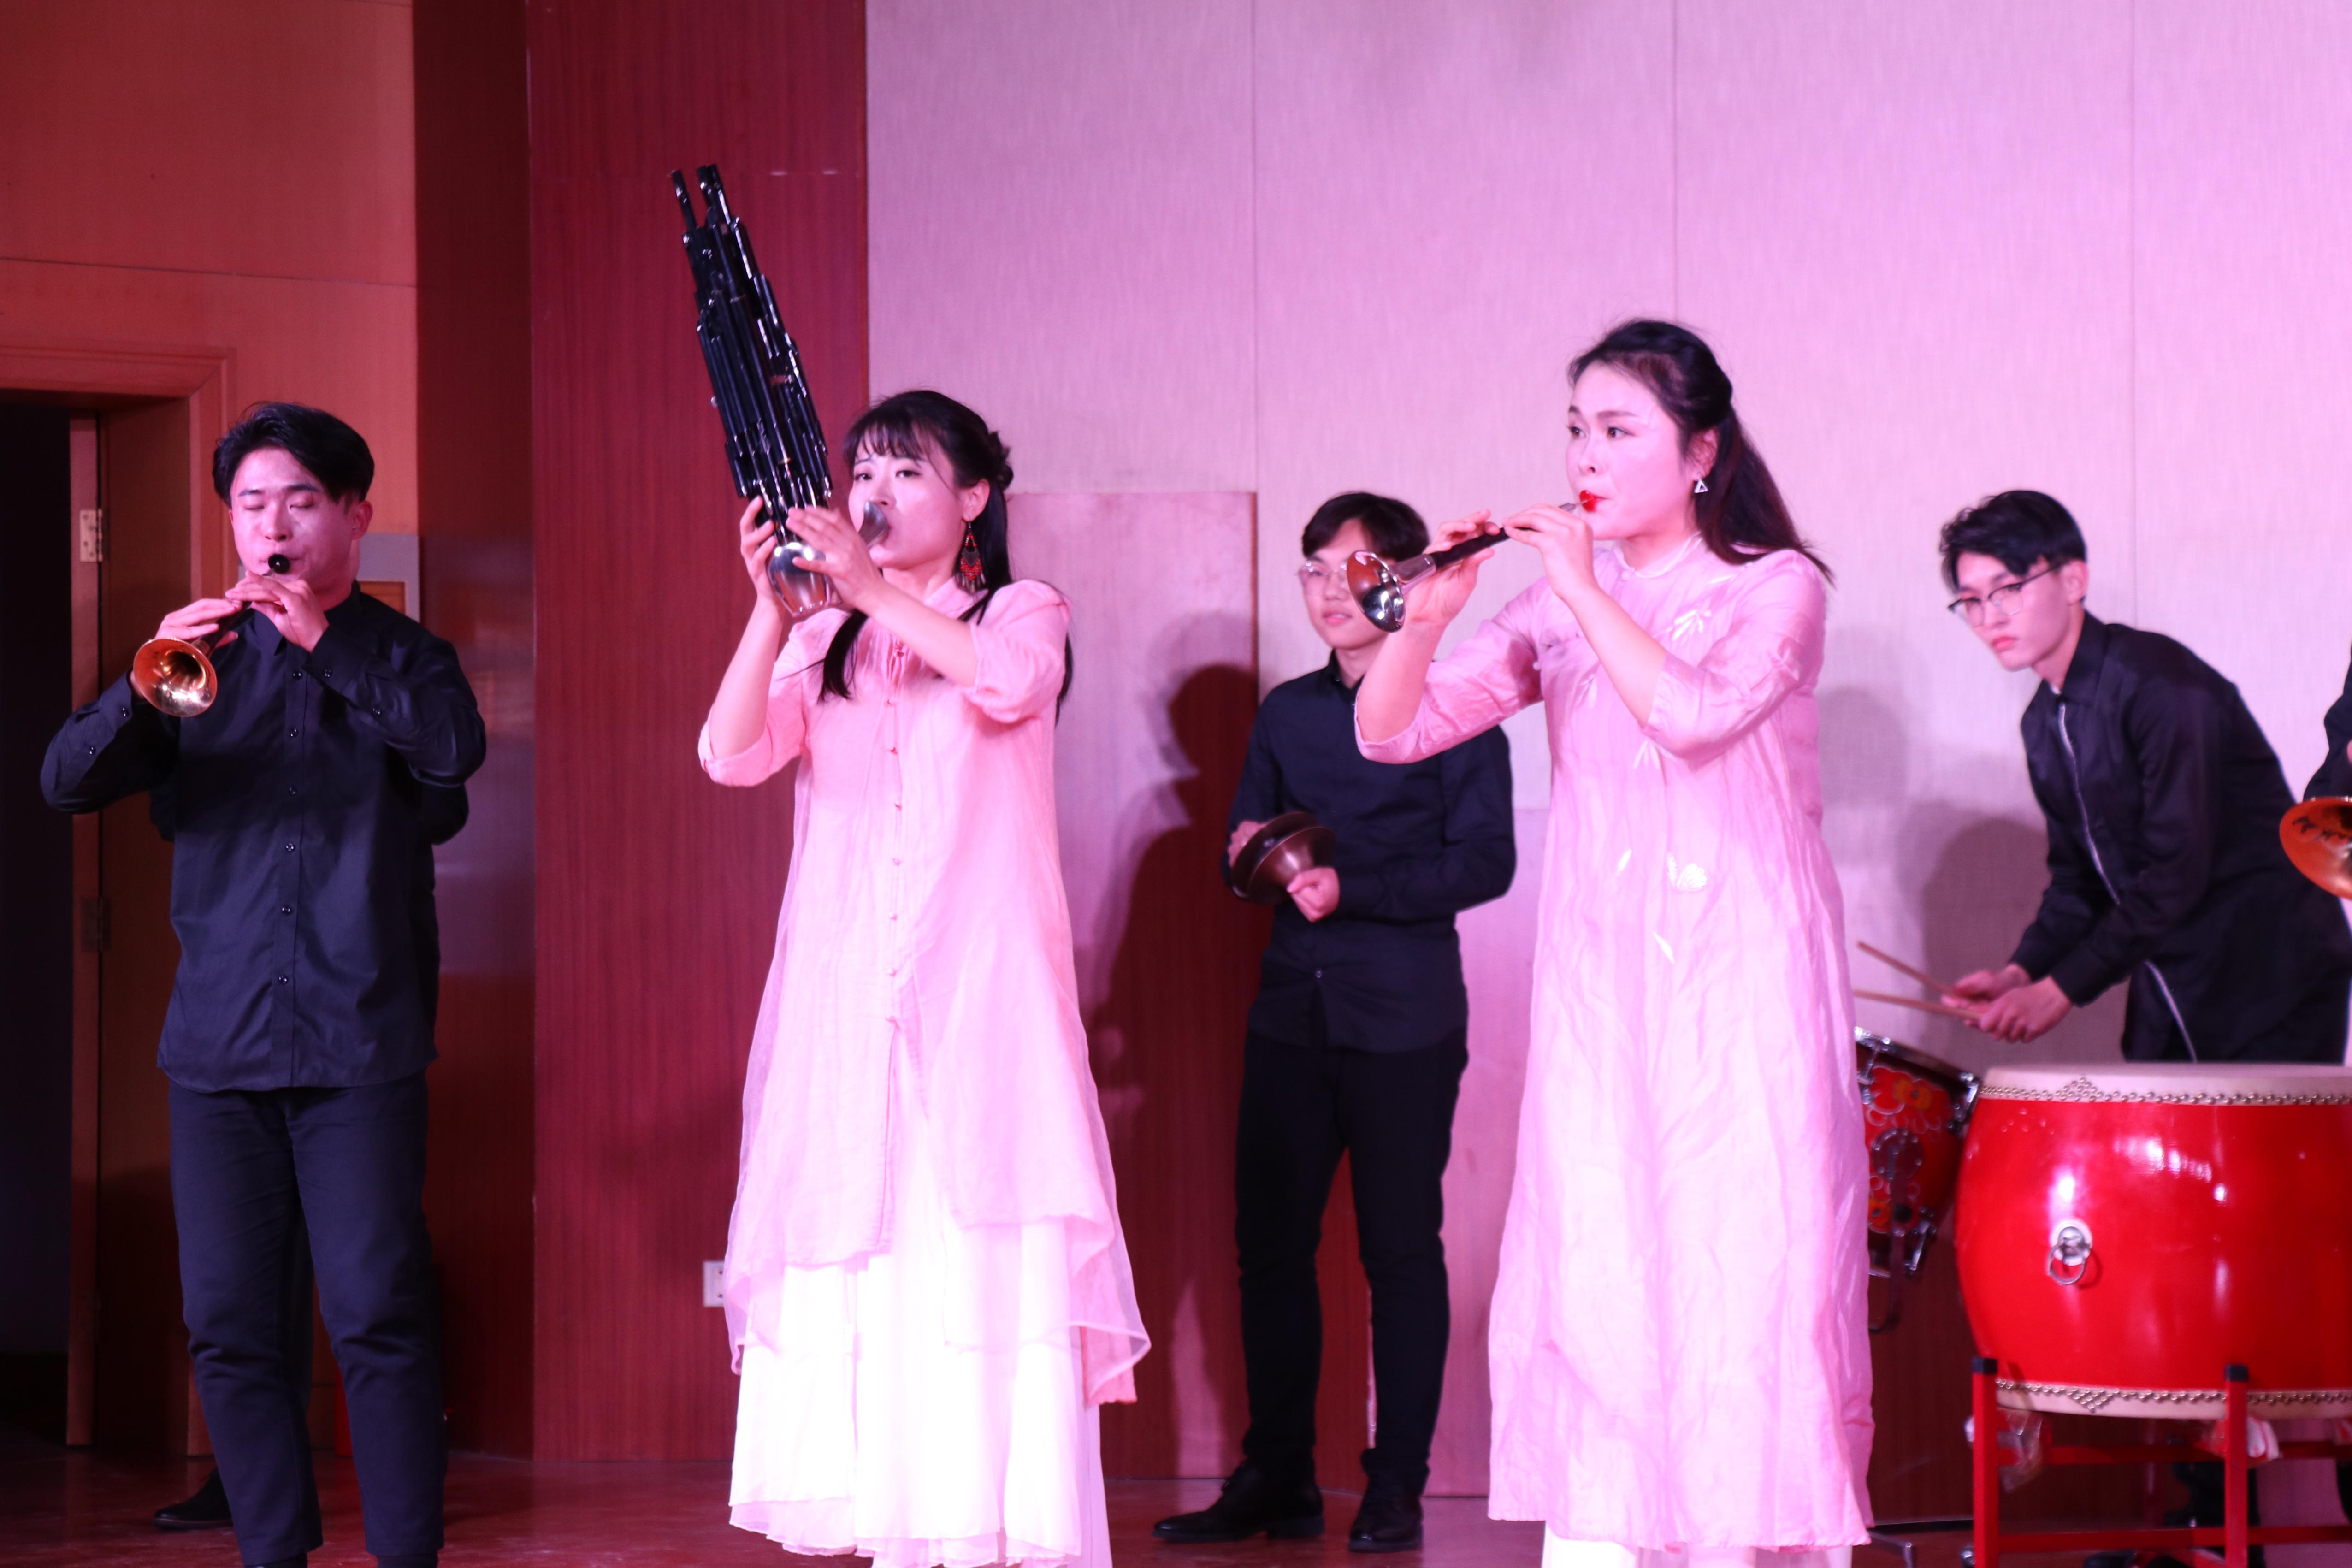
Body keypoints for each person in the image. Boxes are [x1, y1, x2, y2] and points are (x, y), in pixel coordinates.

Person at [1353, 320, 1874, 1568]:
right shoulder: (1548, 604)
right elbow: (1388, 733)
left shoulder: (1774, 586)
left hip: (1739, 981)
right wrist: (1421, 622)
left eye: (1617, 429)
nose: (1584, 455)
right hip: (1601, 984)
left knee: (1738, 1260)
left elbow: (1691, 717)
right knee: (1602, 1254)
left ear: (1699, 452)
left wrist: (1581, 588)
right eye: (1574, 429)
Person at [700, 390, 1148, 1568]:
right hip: (849, 1007)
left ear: (974, 497)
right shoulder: (829, 641)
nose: (874, 495)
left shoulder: (1021, 609)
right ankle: (897, 1526)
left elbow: (1006, 682)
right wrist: (772, 610)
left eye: (905, 473)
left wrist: (867, 588)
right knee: (875, 1259)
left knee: (973, 1260)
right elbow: (728, 754)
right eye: (862, 474)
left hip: (982, 1005)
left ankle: (983, 1529)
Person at [42, 402, 482, 1568]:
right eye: (250, 504)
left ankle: (406, 1556)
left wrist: (326, 647)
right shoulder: (197, 660)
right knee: (230, 1324)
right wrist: (141, 680)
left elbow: (453, 755)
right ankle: (271, 1551)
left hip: (360, 1042)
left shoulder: (409, 658)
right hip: (218, 1046)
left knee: (376, 1311)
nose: (273, 526)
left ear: (353, 515)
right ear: (230, 520)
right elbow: (65, 781)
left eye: (299, 501)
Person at [1152, 494, 1514, 1554]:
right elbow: (1244, 839)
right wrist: (1246, 857)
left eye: (1347, 570)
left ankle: (1395, 1483)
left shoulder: (1457, 707)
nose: (1324, 590)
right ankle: (1279, 1475)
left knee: (1399, 1252)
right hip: (1289, 1011)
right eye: (1310, 569)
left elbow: (1484, 862)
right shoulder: (1285, 713)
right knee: (1269, 1249)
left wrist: (1349, 887)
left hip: (1402, 1014)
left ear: (1401, 580)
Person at [1938, 490, 2352, 1059]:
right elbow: (2078, 881)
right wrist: (2022, 972)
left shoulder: (2160, 685)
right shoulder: (2042, 721)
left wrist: (2058, 991)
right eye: (1970, 601)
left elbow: (2176, 870)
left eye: (2006, 589)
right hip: (2171, 974)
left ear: (2072, 579)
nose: (1989, 618)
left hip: (2269, 971)